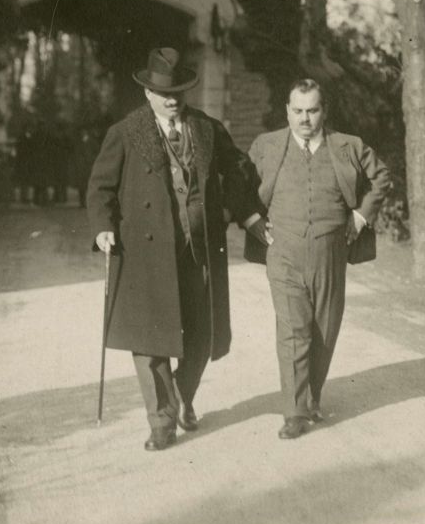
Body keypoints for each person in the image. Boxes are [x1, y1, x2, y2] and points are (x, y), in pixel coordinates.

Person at [87, 47, 265, 451]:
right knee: (151, 343)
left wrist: (248, 214)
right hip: (146, 254)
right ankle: (162, 423)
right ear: (147, 92)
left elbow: (237, 170)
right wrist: (102, 228)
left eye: (178, 91)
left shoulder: (206, 129)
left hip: (197, 249)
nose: (171, 99)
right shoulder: (125, 132)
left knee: (201, 335)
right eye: (162, 91)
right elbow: (99, 187)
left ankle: (182, 396)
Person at [246, 79, 391, 440]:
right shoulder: (266, 146)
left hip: (331, 250)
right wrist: (251, 220)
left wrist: (359, 217)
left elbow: (381, 177)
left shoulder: (348, 147)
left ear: (323, 111)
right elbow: (238, 185)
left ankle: (311, 397)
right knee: (293, 328)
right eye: (298, 111)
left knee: (324, 328)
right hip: (283, 251)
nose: (305, 119)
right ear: (287, 111)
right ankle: (294, 412)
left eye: (312, 111)